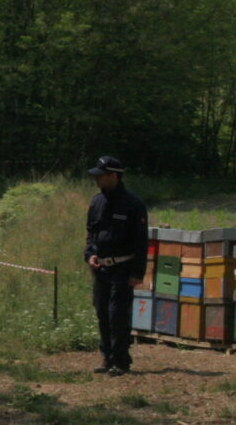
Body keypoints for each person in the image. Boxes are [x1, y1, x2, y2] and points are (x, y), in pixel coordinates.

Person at [84, 156, 148, 377]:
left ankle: (121, 360)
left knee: (117, 315)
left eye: (100, 175)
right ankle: (106, 356)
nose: (96, 179)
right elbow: (91, 232)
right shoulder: (96, 202)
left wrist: (138, 272)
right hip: (101, 268)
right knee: (102, 312)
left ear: (114, 176)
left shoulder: (133, 204)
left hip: (123, 268)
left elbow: (141, 241)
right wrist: (90, 255)